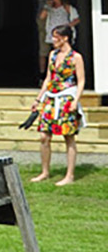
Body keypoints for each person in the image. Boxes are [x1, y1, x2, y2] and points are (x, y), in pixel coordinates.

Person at [32, 21, 85, 186]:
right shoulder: (53, 55)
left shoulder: (76, 57)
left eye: (56, 37)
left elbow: (81, 81)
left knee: (68, 136)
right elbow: (49, 78)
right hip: (51, 98)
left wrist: (76, 101)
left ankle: (70, 175)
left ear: (65, 38)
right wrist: (38, 99)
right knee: (44, 136)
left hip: (67, 98)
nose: (53, 40)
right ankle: (45, 172)